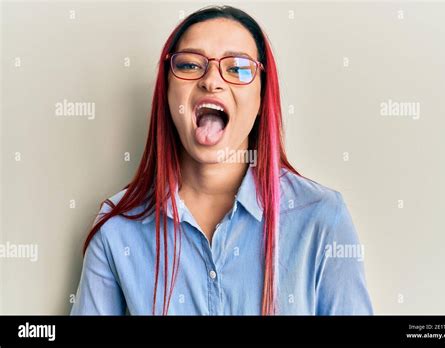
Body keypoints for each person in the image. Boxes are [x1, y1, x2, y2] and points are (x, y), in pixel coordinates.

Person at [71, 5, 373, 315]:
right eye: (190, 65)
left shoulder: (321, 218)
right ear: (167, 92)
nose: (211, 81)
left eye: (237, 68)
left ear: (261, 98)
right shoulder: (118, 225)